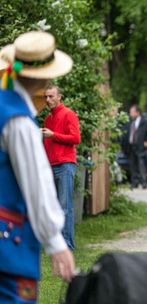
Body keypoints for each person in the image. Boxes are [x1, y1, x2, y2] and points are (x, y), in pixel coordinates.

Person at [0, 31, 75, 303]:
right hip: (8, 246)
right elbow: (37, 184)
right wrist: (56, 243)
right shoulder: (18, 121)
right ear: (44, 78)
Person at [42, 85, 81, 250]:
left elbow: (76, 138)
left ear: (60, 97)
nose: (48, 100)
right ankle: (55, 244)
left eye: (51, 96)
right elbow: (46, 145)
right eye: (46, 97)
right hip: (50, 166)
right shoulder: (48, 119)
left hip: (65, 165)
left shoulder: (69, 114)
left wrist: (53, 135)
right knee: (53, 208)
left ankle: (67, 245)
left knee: (65, 207)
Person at [121, 104, 147, 189]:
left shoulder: (145, 122)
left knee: (141, 164)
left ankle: (144, 182)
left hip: (140, 146)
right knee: (132, 165)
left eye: (132, 112)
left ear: (137, 112)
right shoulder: (130, 122)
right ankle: (134, 182)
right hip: (131, 147)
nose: (130, 114)